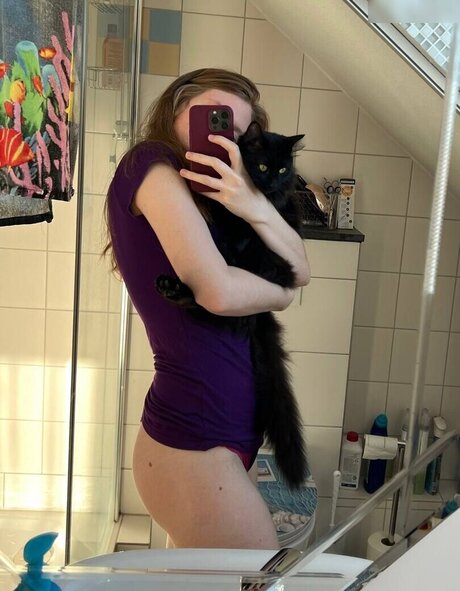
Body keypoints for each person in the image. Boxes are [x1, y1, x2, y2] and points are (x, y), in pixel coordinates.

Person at [104, 68, 310, 549]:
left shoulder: (218, 194)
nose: (221, 136)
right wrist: (280, 296)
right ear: (178, 107)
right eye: (212, 118)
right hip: (193, 442)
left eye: (234, 131)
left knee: (201, 580)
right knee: (257, 580)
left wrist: (251, 202)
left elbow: (300, 268)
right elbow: (218, 292)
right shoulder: (149, 163)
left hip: (222, 440)